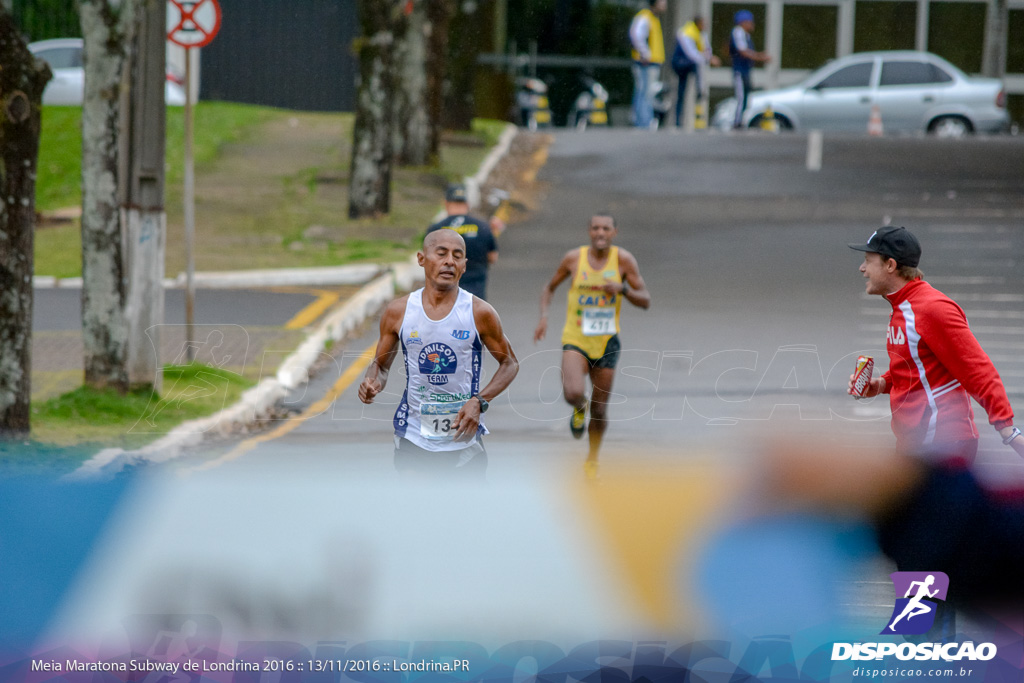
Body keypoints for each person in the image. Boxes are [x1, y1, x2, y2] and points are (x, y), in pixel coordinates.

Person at [847, 225, 1024, 465]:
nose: (862, 269)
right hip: (917, 443)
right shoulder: (902, 306)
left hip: (942, 444)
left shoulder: (931, 308)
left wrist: (1007, 429)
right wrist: (882, 384)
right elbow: (917, 364)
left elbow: (976, 368)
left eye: (868, 260)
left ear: (890, 265)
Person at [358, 228, 519, 478]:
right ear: (422, 259)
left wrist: (479, 401)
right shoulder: (398, 312)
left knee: (464, 514)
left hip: (463, 440)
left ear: (464, 265)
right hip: (413, 435)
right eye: (441, 253)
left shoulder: (479, 313)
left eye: (457, 256)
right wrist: (372, 382)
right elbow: (382, 366)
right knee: (416, 511)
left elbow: (510, 363)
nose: (449, 262)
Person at [533, 213, 650, 478]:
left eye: (606, 229)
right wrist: (544, 317)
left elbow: (645, 300)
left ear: (614, 233)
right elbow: (549, 287)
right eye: (596, 228)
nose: (600, 233)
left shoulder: (623, 260)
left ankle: (592, 460)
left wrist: (623, 290)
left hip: (607, 341)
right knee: (573, 392)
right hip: (576, 337)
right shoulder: (574, 259)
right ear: (589, 231)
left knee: (600, 410)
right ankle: (578, 408)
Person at [425, 183, 501, 301]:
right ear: (467, 204)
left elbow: (428, 261)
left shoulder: (436, 229)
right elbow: (493, 257)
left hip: (445, 293)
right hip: (475, 293)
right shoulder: (483, 227)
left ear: (445, 203)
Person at [671, 15, 720, 128]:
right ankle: (678, 120)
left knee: (683, 90)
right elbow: (691, 54)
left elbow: (706, 49)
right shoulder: (686, 32)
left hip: (691, 64)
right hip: (681, 63)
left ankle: (700, 91)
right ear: (698, 23)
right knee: (681, 91)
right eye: (703, 23)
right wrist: (708, 59)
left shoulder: (701, 34)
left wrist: (709, 57)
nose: (705, 26)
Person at [729, 10, 771, 129]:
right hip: (740, 71)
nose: (752, 25)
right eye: (750, 22)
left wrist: (758, 56)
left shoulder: (746, 35)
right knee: (741, 97)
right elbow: (743, 51)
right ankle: (737, 122)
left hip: (745, 71)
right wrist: (760, 57)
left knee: (746, 97)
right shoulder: (738, 32)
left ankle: (741, 120)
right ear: (743, 22)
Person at [629, 0, 667, 129]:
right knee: (645, 92)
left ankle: (643, 121)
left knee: (645, 92)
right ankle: (643, 122)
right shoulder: (645, 17)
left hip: (650, 62)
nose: (665, 4)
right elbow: (636, 35)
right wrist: (645, 54)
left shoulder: (653, 18)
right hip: (646, 63)